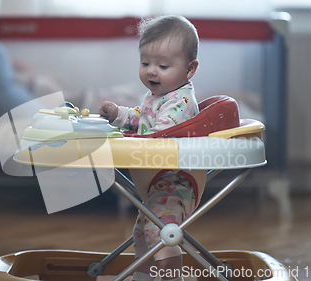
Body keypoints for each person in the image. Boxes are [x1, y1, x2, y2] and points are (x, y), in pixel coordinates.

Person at [99, 15, 201, 281]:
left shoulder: (181, 101)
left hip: (177, 180)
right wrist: (117, 114)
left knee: (163, 232)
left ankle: (169, 277)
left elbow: (160, 134)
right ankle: (144, 276)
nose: (151, 71)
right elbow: (141, 119)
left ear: (190, 70)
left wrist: (133, 140)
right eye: (145, 63)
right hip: (157, 180)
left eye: (163, 65)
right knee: (143, 231)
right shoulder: (156, 97)